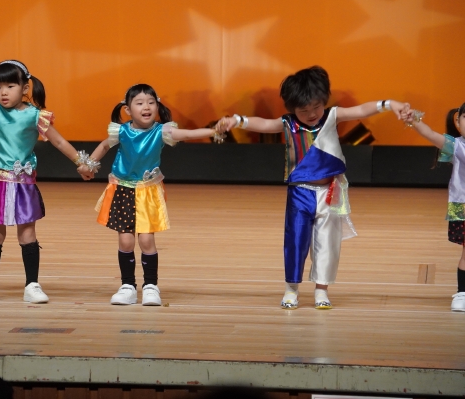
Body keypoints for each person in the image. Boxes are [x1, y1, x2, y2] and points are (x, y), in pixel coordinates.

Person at [217, 66, 412, 310]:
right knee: (295, 241)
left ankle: (322, 290)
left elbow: (363, 109)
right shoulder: (288, 123)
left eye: (316, 107)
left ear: (324, 101)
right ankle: (291, 290)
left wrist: (390, 104)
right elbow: (263, 124)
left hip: (330, 192)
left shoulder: (332, 116)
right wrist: (237, 120)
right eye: (303, 110)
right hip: (300, 193)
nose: (311, 114)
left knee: (328, 242)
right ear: (292, 108)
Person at [0, 60, 90, 303]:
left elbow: (59, 141)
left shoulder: (36, 115)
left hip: (23, 183)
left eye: (10, 86)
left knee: (27, 233)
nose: (3, 92)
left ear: (25, 88)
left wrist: (81, 163)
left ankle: (32, 285)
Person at [78, 84, 224, 306]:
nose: (146, 107)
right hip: (123, 188)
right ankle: (127, 286)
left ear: (157, 106)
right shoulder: (121, 131)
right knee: (125, 240)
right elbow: (104, 146)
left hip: (148, 191)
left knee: (146, 240)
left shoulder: (161, 131)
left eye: (151, 102)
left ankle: (150, 286)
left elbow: (186, 134)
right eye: (139, 103)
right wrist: (89, 165)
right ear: (128, 109)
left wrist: (213, 131)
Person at [401, 103, 465, 312]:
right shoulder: (456, 146)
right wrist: (414, 120)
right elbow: (429, 133)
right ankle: (462, 294)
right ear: (458, 122)